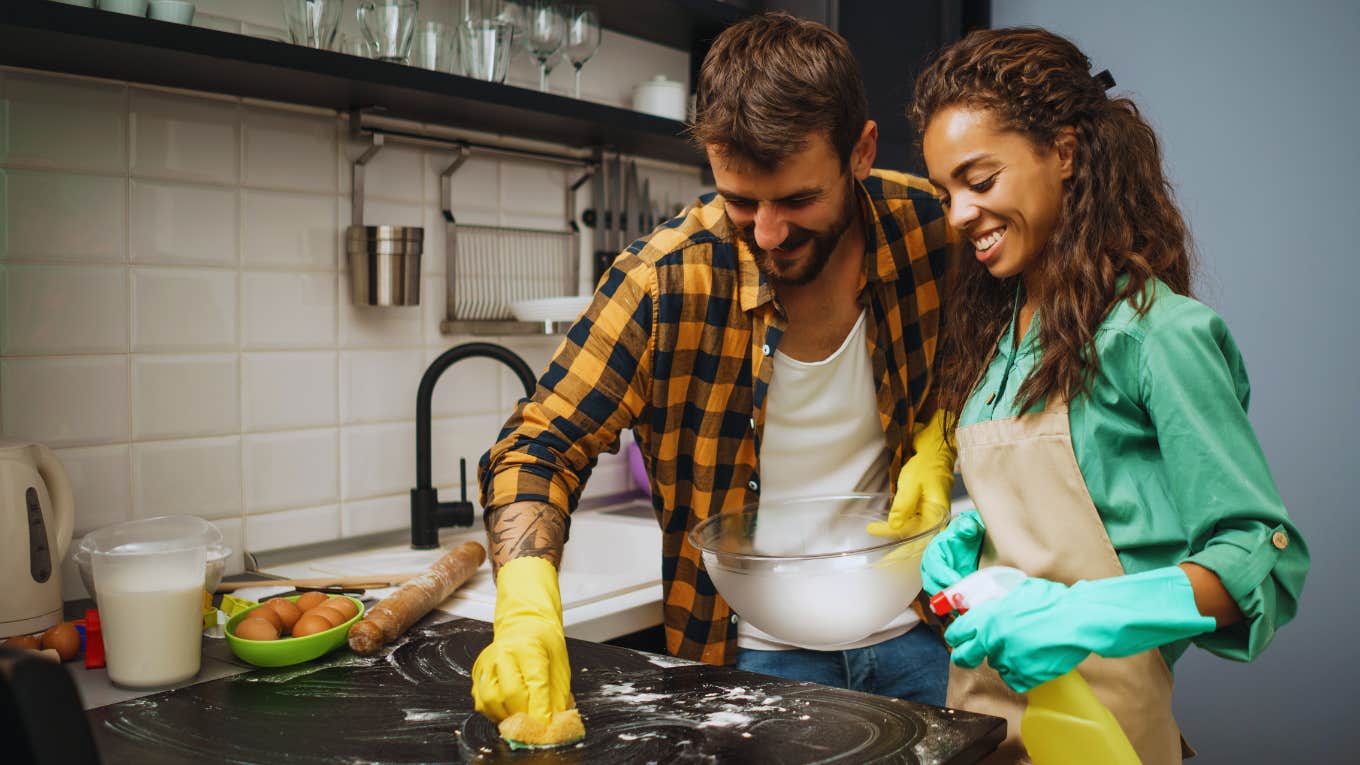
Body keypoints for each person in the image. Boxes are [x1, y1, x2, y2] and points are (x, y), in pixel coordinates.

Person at [470, 11, 962, 736]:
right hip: (749, 656)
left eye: (797, 199)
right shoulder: (665, 282)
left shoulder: (929, 229)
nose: (767, 232)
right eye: (740, 201)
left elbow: (1013, 349)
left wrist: (940, 436)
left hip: (923, 628)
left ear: (860, 153)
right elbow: (537, 446)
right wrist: (523, 604)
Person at [902, 27, 1309, 763]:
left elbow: (1259, 556)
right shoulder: (998, 336)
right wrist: (965, 566)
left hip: (1105, 736)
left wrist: (1079, 614)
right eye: (945, 192)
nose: (959, 214)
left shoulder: (1156, 336)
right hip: (982, 727)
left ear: (1063, 153)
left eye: (980, 180)